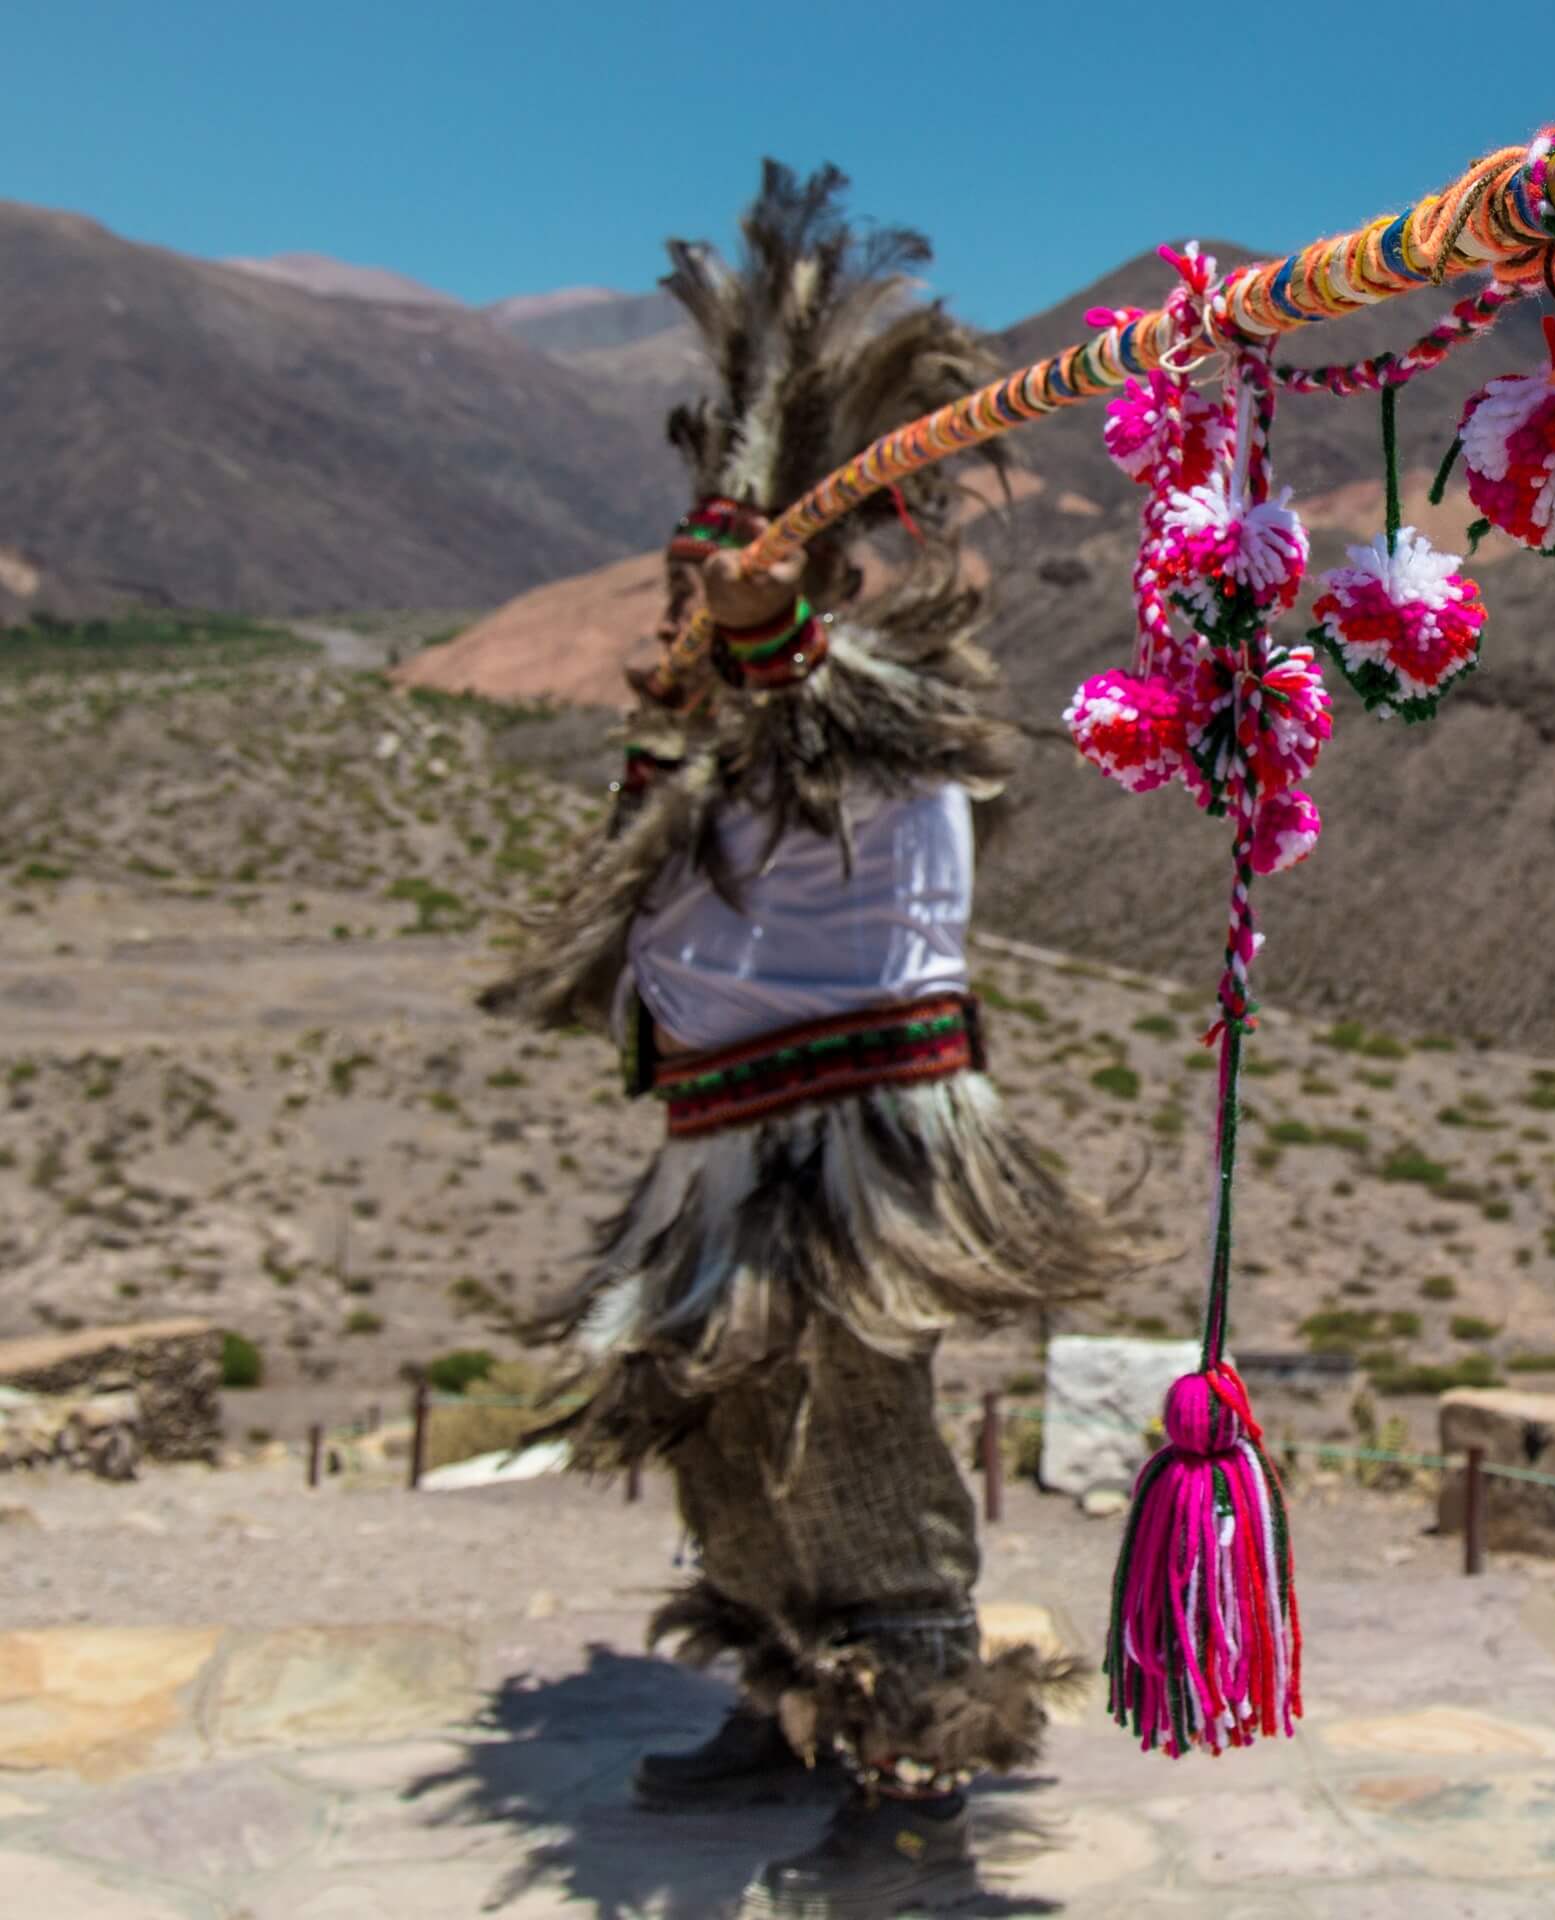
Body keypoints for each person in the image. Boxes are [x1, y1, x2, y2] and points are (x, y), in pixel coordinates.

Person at [483, 161, 1121, 1910]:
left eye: (717, 597)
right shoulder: (704, 736)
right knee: (710, 1425)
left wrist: (775, 630)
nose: (684, 629)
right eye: (681, 601)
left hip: (864, 1150)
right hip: (722, 1151)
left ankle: (917, 1773)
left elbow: (826, 693)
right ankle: (789, 1697)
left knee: (859, 1433)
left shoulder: (887, 699)